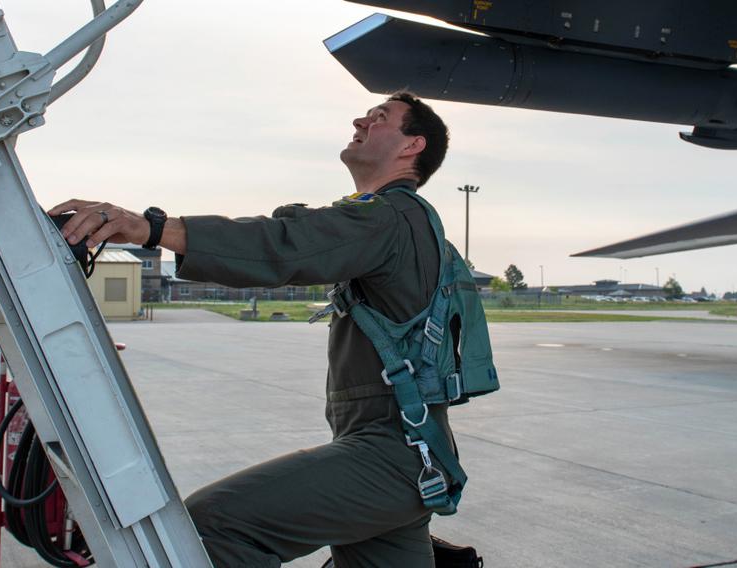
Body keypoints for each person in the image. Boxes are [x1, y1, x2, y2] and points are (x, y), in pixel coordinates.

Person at [49, 92, 455, 567]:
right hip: (407, 456)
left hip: (388, 457)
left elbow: (283, 246)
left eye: (381, 117)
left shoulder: (388, 216)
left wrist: (151, 229)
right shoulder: (390, 219)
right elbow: (303, 236)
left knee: (210, 527)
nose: (361, 119)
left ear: (413, 146)